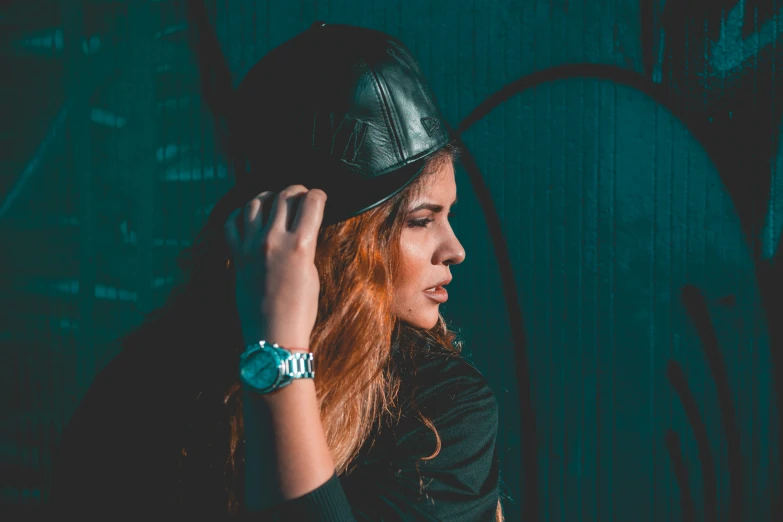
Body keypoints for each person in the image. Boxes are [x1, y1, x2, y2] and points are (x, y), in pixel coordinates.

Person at [50, 22, 504, 521]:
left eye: (449, 215)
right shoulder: (156, 380)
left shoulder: (440, 409)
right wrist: (277, 346)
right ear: (328, 242)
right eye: (421, 220)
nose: (455, 250)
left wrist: (279, 357)